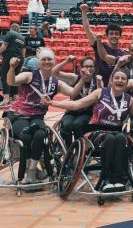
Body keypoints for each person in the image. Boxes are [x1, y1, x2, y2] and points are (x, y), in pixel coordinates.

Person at [43, 68, 133, 191]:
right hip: (95, 132)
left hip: (116, 132)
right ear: (111, 81)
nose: (120, 81)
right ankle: (106, 179)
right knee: (111, 138)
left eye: (123, 79)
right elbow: (76, 104)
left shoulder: (129, 100)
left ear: (127, 82)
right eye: (117, 78)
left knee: (122, 137)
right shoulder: (100, 93)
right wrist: (53, 103)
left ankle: (118, 180)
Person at [4, 49, 84, 183]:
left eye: (49, 59)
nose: (47, 62)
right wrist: (12, 67)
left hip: (37, 117)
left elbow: (73, 92)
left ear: (54, 61)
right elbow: (11, 82)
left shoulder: (56, 82)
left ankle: (32, 171)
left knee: (41, 134)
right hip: (19, 115)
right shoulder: (29, 75)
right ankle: (29, 170)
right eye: (44, 59)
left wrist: (82, 79)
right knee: (26, 135)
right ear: (39, 62)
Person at [52, 55, 102, 145]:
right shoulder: (74, 78)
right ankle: (68, 149)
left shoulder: (98, 80)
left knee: (77, 124)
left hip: (88, 112)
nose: (88, 68)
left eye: (91, 66)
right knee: (66, 125)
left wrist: (99, 84)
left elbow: (100, 99)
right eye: (86, 66)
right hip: (72, 111)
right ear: (81, 68)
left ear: (94, 68)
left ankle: (81, 149)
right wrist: (66, 61)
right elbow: (54, 72)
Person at [80, 3, 126, 86]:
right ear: (107, 36)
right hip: (98, 85)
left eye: (116, 34)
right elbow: (87, 29)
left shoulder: (123, 53)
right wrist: (84, 12)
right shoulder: (100, 45)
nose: (114, 36)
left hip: (115, 86)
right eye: (111, 34)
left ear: (120, 36)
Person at [0, 23, 25, 106]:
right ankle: (15, 99)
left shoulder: (10, 33)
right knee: (14, 78)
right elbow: (23, 53)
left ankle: (6, 98)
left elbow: (4, 46)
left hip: (10, 56)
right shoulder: (23, 38)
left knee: (5, 76)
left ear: (11, 28)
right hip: (20, 58)